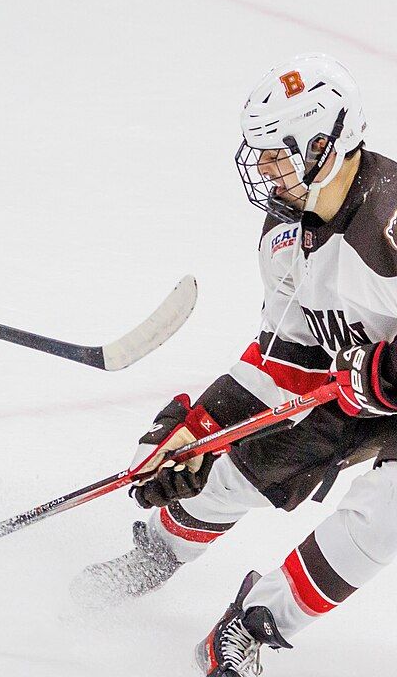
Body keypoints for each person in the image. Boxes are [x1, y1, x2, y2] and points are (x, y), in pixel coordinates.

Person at [72, 53, 397, 675]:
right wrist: (202, 426)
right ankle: (157, 553)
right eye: (262, 153)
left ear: (330, 144)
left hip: (376, 389)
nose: (266, 167)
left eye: (280, 151)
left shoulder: (390, 218)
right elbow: (288, 358)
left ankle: (256, 623)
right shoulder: (285, 235)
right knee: (244, 463)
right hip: (352, 389)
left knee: (387, 518)